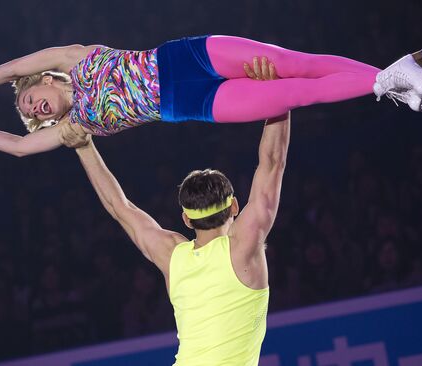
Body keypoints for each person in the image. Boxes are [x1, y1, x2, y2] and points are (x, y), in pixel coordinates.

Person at [58, 59, 289, 365]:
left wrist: (83, 145)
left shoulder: (173, 255)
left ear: (186, 219)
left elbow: (119, 206)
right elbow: (271, 162)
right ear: (234, 206)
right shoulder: (243, 247)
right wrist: (279, 96)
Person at [0, 36, 422, 158]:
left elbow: (13, 66)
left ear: (43, 80)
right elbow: (16, 148)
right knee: (296, 95)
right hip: (192, 106)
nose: (33, 109)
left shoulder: (76, 57)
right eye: (31, 116)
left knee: (299, 64)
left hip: (189, 59)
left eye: (29, 98)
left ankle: (400, 81)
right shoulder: (71, 124)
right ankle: (399, 80)